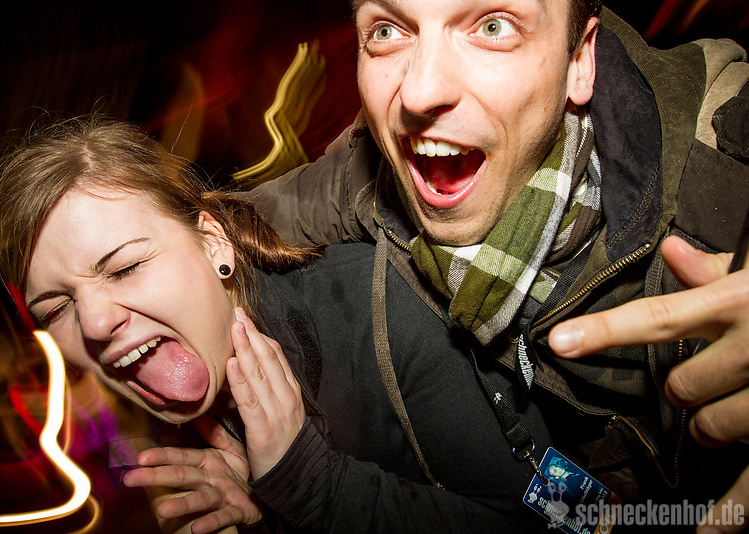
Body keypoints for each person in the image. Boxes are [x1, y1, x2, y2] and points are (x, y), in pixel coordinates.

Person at [237, 0, 749, 531]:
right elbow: (222, 229)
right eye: (388, 31)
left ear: (579, 60)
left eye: (492, 26)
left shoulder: (726, 186)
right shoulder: (374, 178)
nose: (419, 92)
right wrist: (237, 451)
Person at [0, 115, 554, 533]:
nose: (95, 322)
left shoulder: (388, 304)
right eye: (56, 308)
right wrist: (268, 513)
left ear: (212, 242)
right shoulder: (184, 407)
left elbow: (571, 517)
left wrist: (307, 483)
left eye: (124, 267)